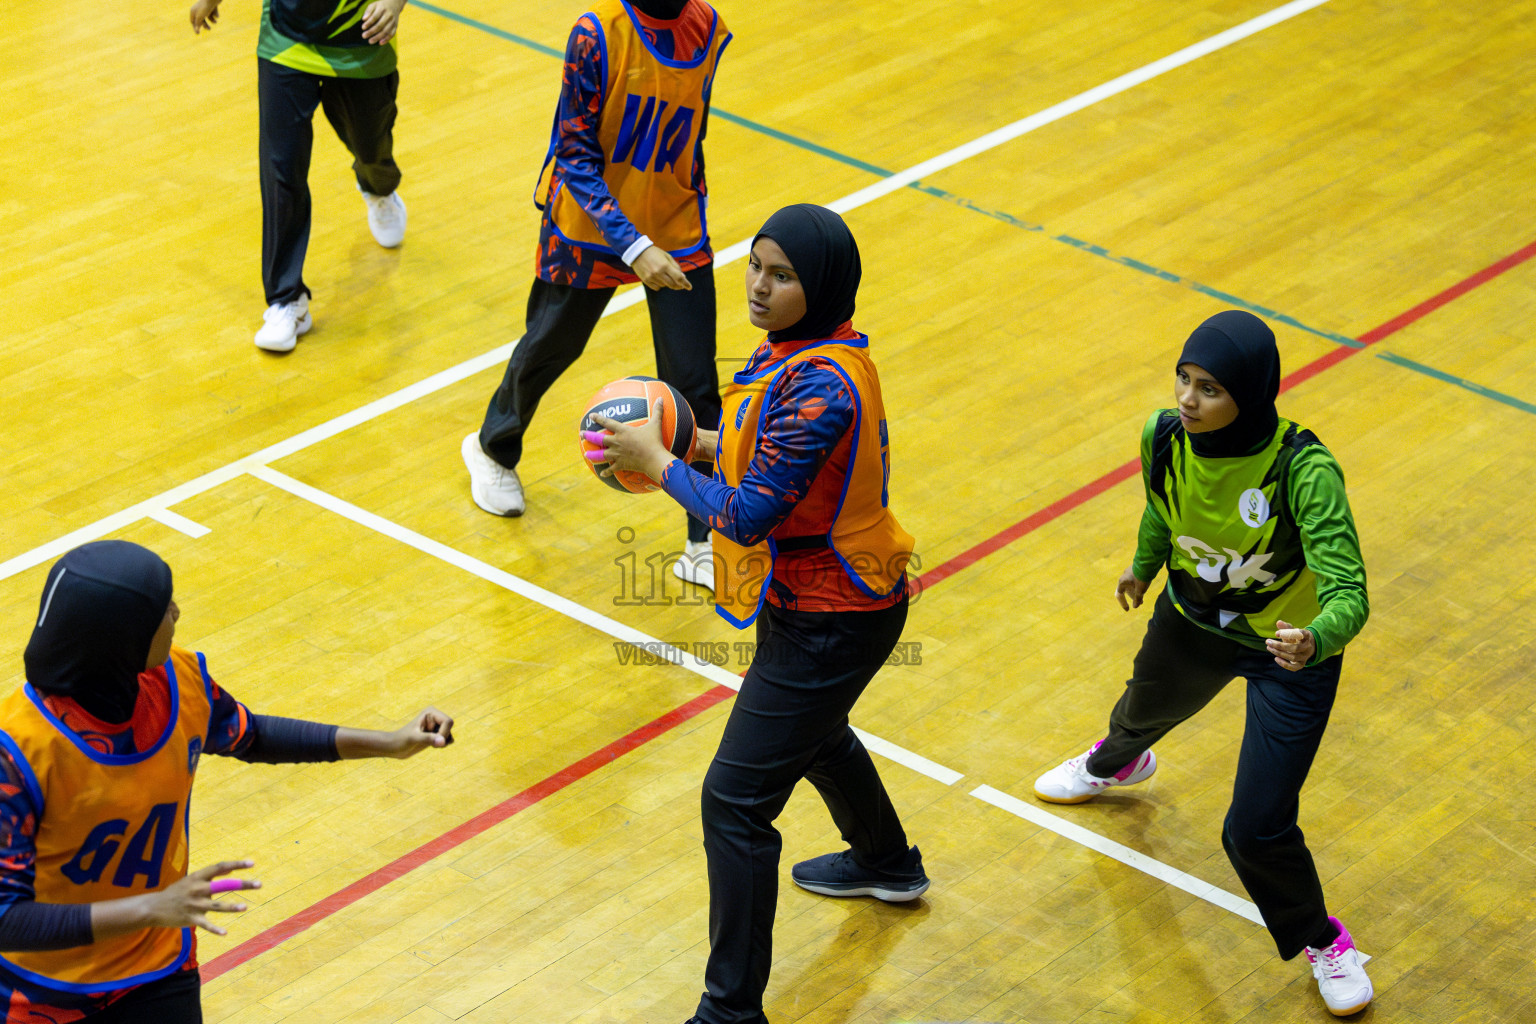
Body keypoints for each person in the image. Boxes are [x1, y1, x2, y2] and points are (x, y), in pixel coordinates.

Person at [588, 204, 926, 1024]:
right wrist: (688, 439)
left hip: (834, 612)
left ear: (822, 287)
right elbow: (756, 450)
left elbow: (746, 515)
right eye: (756, 266)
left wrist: (659, 460)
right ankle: (888, 862)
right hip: (820, 600)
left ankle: (730, 1012)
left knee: (734, 802)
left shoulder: (819, 386)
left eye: (782, 276)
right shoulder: (808, 352)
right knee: (813, 733)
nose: (760, 286)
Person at [1032, 310, 1373, 1016]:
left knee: (1254, 829)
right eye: (1183, 379)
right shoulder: (1163, 438)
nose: (1188, 399)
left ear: (1249, 394)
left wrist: (1315, 639)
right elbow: (1165, 509)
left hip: (1290, 654)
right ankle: (1114, 765)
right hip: (1193, 624)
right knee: (1137, 716)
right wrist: (1142, 566)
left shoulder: (1302, 470)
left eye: (1209, 388)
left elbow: (1350, 591)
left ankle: (1324, 940)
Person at [0, 540, 454, 1021]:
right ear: (122, 638)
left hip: (157, 970)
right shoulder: (18, 754)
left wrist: (390, 742)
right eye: (162, 608)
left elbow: (252, 735)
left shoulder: (180, 681)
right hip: (42, 993)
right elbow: (6, 918)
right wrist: (152, 907)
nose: (176, 611)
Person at [461, 0, 728, 591]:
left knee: (693, 381)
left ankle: (702, 539)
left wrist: (669, 221)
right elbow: (574, 155)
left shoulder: (708, 29)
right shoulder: (595, 34)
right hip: (588, 224)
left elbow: (691, 134)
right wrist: (633, 245)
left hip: (674, 224)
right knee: (553, 345)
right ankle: (491, 448)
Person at [190, 0, 410, 353]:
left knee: (370, 148)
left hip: (362, 35)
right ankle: (286, 300)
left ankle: (377, 186)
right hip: (287, 36)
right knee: (282, 167)